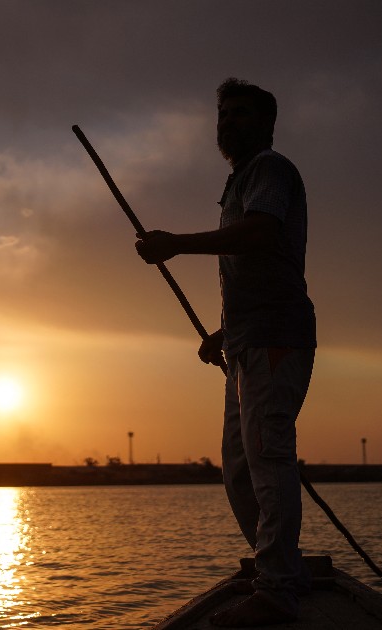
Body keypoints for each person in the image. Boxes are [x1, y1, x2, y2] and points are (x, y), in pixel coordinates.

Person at [135, 78, 316, 627]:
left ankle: (279, 589)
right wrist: (221, 332)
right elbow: (248, 269)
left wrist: (176, 245)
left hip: (274, 339)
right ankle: (273, 569)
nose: (228, 122)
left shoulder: (269, 170)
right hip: (243, 342)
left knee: (267, 459)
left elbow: (259, 236)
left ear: (266, 124)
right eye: (223, 115)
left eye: (240, 114)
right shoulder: (237, 182)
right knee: (238, 468)